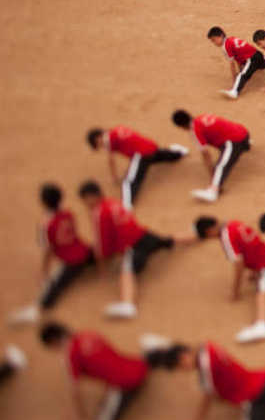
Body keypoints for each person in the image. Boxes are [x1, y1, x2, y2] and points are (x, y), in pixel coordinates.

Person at [38, 322, 171, 420]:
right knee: (138, 363)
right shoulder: (90, 334)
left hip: (124, 385)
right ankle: (156, 350)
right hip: (138, 368)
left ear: (53, 342)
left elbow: (75, 390)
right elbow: (108, 360)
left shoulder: (70, 355)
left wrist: (80, 413)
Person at [79, 180, 177, 318]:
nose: (85, 203)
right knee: (166, 241)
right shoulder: (114, 202)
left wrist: (102, 268)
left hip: (132, 247)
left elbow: (102, 243)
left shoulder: (99, 213)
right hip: (143, 235)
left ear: (91, 197)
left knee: (126, 271)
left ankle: (128, 304)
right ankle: (198, 234)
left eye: (85, 199)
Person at [9, 184, 95, 325]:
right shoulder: (69, 213)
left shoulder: (45, 224)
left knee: (52, 285)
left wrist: (44, 273)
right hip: (85, 252)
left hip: (72, 262)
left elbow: (47, 250)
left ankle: (36, 309)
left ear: (43, 202)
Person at [194, 217, 265, 343]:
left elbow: (239, 264)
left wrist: (235, 290)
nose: (210, 238)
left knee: (261, 292)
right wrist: (253, 271)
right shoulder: (234, 224)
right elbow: (251, 245)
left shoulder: (226, 238)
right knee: (262, 281)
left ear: (210, 230)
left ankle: (262, 325)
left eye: (207, 236)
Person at [86, 126, 187, 209]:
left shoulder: (107, 138)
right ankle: (180, 152)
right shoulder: (117, 130)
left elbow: (111, 160)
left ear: (98, 137)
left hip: (141, 154)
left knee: (128, 181)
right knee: (161, 156)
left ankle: (126, 206)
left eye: (98, 144)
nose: (101, 146)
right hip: (151, 147)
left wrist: (114, 177)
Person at [172, 109, 250, 203]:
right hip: (244, 133)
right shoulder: (200, 118)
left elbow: (206, 154)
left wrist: (212, 174)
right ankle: (246, 146)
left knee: (220, 166)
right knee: (228, 147)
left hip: (234, 142)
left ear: (181, 126)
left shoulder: (195, 130)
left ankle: (213, 190)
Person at [206, 26, 265, 99]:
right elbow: (238, 57)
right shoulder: (231, 39)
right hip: (259, 55)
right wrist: (240, 69)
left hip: (252, 59)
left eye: (214, 40)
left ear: (221, 36)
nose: (214, 43)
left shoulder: (226, 46)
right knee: (261, 66)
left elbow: (232, 64)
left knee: (242, 75)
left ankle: (235, 91)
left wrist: (234, 80)